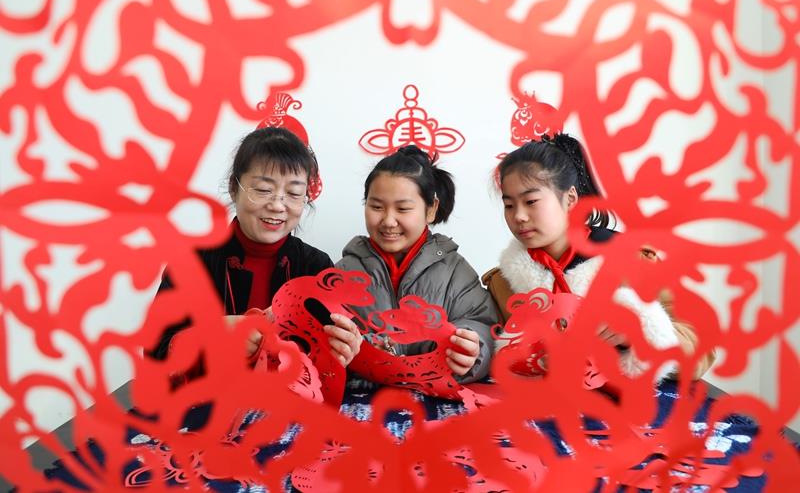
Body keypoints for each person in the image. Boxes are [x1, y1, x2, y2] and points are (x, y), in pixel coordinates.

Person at [482, 134, 715, 380]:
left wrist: (639, 334)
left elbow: (701, 351)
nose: (518, 216)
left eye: (531, 201)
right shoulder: (502, 283)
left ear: (570, 198)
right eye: (509, 205)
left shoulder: (635, 262)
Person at [150, 127, 362, 369]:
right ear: (234, 188)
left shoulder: (316, 266)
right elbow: (155, 353)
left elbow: (327, 359)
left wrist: (345, 349)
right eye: (263, 190)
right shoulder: (192, 262)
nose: (277, 206)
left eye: (294, 193)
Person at [336, 145, 497, 383]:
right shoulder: (343, 272)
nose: (388, 221)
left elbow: (483, 324)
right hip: (363, 401)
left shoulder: (455, 271)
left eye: (403, 208)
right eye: (376, 207)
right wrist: (348, 349)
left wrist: (474, 349)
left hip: (438, 401)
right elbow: (324, 340)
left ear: (431, 210)